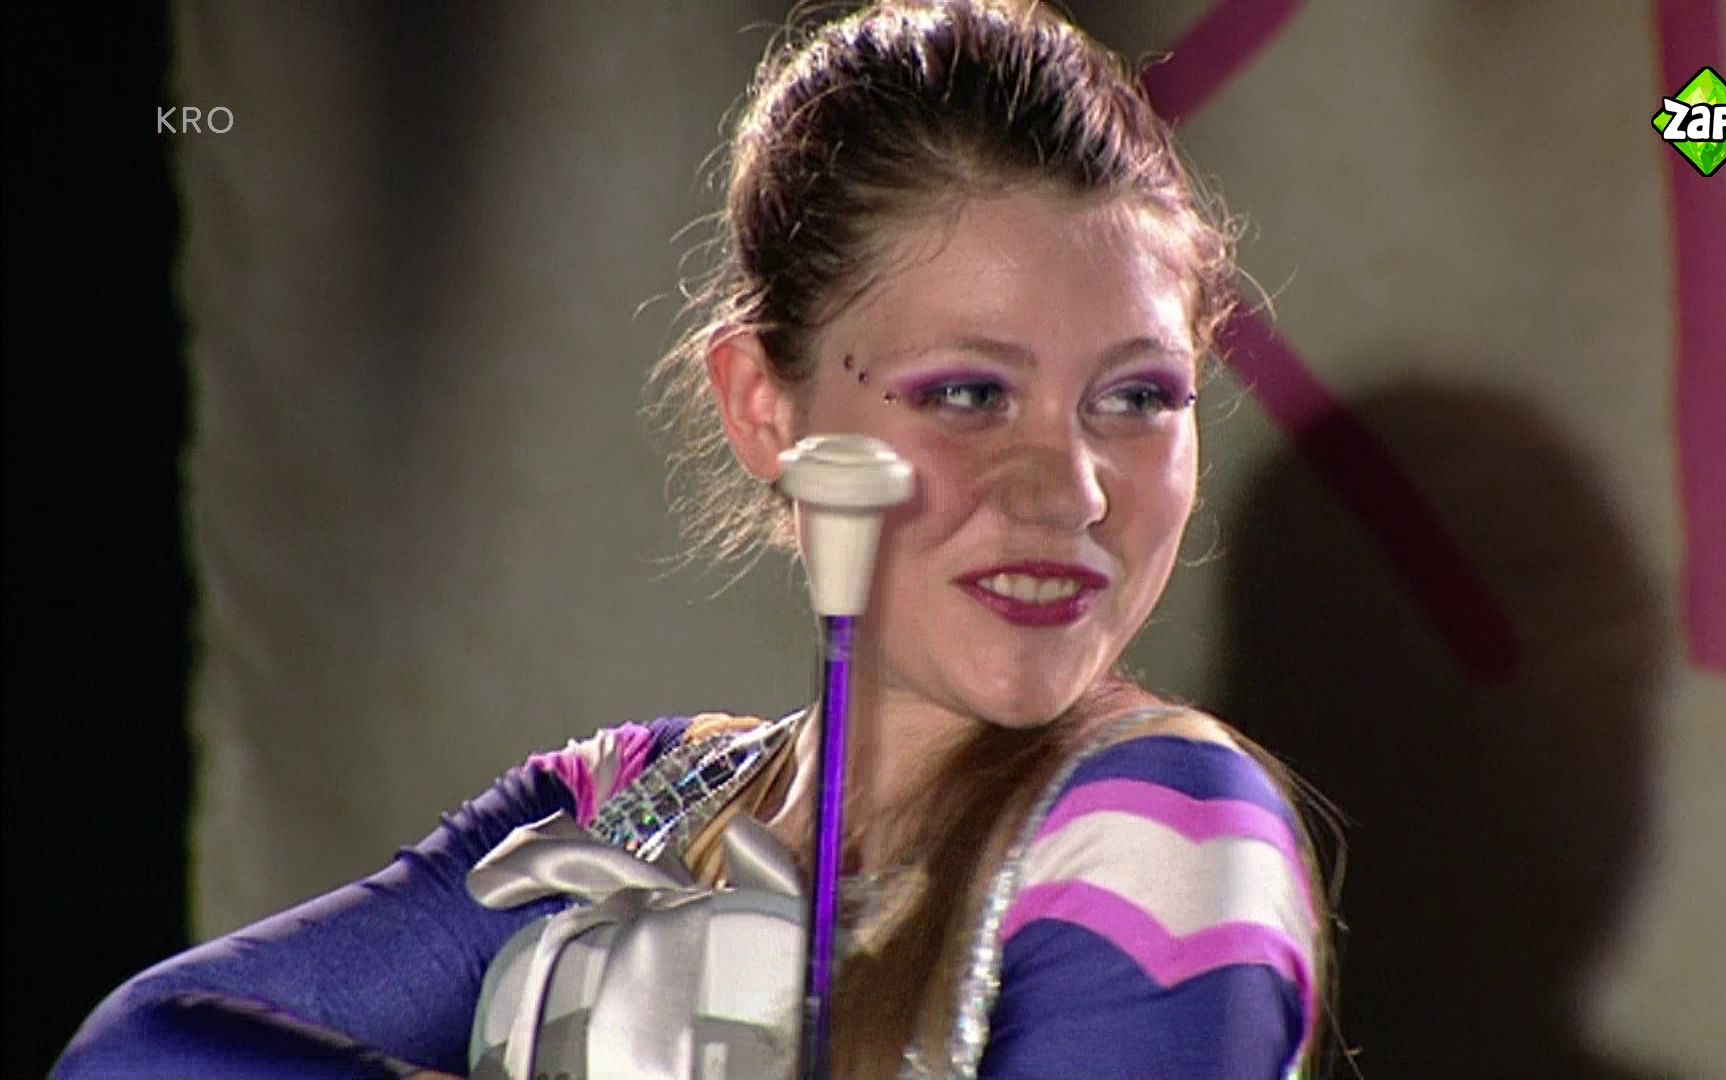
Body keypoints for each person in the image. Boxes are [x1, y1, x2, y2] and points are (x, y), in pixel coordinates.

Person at [57, 1, 1331, 1076]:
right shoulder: (636, 801)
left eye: (1138, 399)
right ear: (763, 406)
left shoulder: (1168, 820)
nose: (1072, 491)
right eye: (968, 392)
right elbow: (142, 1051)